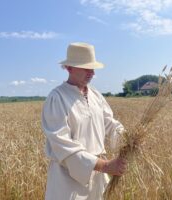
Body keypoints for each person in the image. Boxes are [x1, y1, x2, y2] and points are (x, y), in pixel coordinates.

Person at [41, 42, 127, 200]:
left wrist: (127, 138)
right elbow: (62, 145)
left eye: (92, 68)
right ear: (69, 68)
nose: (92, 73)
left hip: (98, 180)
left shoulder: (95, 95)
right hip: (68, 183)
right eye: (86, 68)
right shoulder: (57, 98)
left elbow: (109, 123)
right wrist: (106, 166)